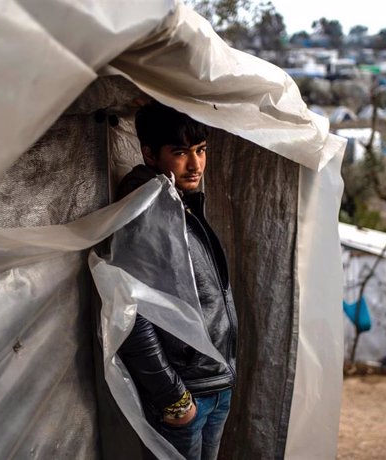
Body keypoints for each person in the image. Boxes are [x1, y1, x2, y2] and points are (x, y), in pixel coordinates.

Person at [116, 101, 238, 460]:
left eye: (201, 151)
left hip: (214, 383)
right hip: (188, 395)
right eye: (181, 152)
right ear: (150, 154)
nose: (195, 164)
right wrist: (174, 399)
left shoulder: (180, 203)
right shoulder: (148, 210)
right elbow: (129, 308)